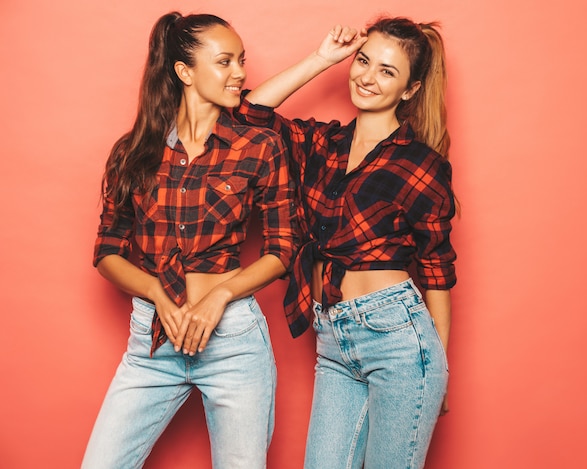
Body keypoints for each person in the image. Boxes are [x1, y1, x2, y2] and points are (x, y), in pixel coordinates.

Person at [235, 17, 457, 469]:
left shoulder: (421, 164)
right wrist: (321, 59)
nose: (367, 77)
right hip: (332, 337)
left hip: (397, 337)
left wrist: (440, 372)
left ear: (410, 90)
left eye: (387, 71)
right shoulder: (322, 143)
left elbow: (437, 271)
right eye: (363, 60)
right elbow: (247, 116)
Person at [82, 11, 298, 469]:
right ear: (184, 71)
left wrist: (220, 296)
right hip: (153, 340)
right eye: (224, 62)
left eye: (241, 60)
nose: (239, 72)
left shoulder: (259, 146)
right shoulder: (134, 151)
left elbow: (282, 249)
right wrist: (157, 293)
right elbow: (107, 252)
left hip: (233, 341)